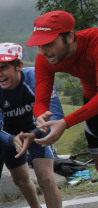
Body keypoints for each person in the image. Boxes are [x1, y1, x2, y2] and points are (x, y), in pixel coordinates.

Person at [0, 42, 70, 208]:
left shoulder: (36, 78)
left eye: (4, 68)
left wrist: (35, 134)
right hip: (11, 136)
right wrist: (12, 140)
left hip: (37, 131)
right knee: (20, 179)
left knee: (46, 178)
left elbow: (55, 115)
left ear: (19, 66)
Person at [26, 10, 98, 168]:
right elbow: (40, 102)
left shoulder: (95, 42)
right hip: (92, 101)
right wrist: (41, 118)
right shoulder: (45, 58)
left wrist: (65, 123)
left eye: (49, 43)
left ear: (70, 36)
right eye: (39, 45)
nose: (43, 51)